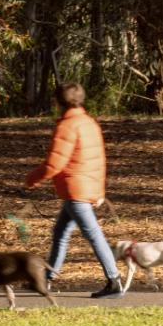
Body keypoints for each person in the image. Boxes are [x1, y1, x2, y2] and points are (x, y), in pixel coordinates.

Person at [24, 81, 124, 298]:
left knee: (94, 235)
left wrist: (30, 180)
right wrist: (99, 191)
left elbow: (53, 164)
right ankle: (46, 280)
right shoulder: (89, 123)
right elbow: (99, 160)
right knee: (60, 232)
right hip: (82, 189)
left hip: (74, 190)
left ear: (58, 102)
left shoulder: (66, 126)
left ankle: (114, 281)